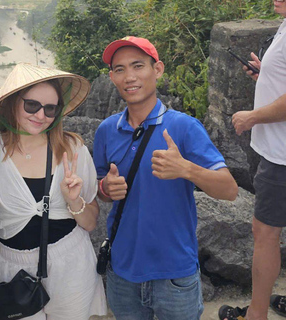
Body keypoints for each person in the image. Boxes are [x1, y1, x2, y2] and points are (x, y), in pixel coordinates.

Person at [93, 36, 238, 320]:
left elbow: (230, 190)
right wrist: (105, 188)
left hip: (175, 273)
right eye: (120, 69)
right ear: (111, 77)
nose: (129, 77)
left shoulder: (184, 127)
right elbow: (100, 188)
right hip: (122, 271)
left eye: (138, 66)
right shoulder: (106, 131)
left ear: (157, 69)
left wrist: (187, 169)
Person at [0, 62, 107, 319]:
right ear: (13, 103)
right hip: (13, 269)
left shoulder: (72, 148)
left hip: (71, 265)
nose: (41, 115)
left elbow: (90, 223)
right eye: (32, 105)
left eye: (50, 108)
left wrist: (74, 201)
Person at [219, 0, 286, 319]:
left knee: (265, 232)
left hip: (281, 157)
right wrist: (266, 76)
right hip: (277, 150)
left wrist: (253, 117)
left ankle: (256, 314)